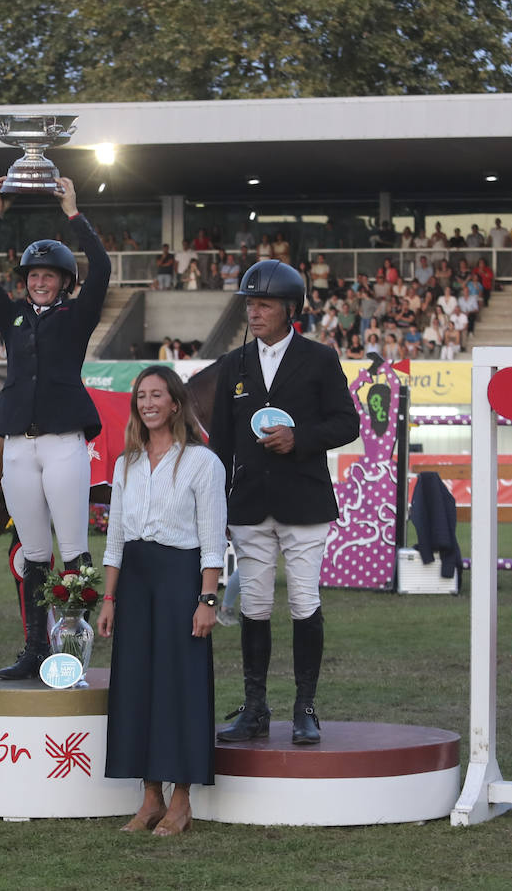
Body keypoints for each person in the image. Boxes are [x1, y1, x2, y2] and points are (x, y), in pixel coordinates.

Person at [209, 260, 360, 745]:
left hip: (305, 501)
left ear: (289, 309)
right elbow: (222, 445)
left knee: (303, 601)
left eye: (264, 304)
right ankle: (254, 709)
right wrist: (217, 504)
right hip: (250, 504)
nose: (253, 312)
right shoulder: (232, 365)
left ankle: (305, 708)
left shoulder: (320, 358)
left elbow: (347, 423)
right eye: (249, 304)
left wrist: (301, 438)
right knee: (252, 605)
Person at [0, 176, 111, 680]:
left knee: (72, 549)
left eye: (50, 275)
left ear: (65, 282)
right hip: (16, 445)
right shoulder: (13, 318)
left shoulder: (78, 315)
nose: (40, 281)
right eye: (33, 274)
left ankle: (69, 645)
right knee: (33, 553)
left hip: (65, 444)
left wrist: (73, 212)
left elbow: (104, 269)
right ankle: (34, 648)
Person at [97, 366, 225, 836]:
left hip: (180, 580)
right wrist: (109, 598)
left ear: (175, 402)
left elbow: (212, 540)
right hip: (135, 581)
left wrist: (207, 598)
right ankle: (150, 797)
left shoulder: (202, 463)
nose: (148, 403)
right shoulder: (125, 464)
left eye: (157, 395)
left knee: (182, 687)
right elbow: (114, 540)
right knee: (136, 687)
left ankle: (182, 799)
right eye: (141, 396)